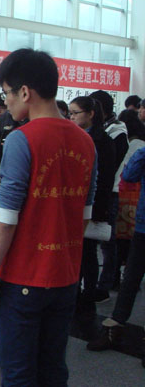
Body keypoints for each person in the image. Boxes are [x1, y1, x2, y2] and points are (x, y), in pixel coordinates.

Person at [0, 49, 97, 386]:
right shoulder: (86, 141)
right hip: (66, 275)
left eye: (6, 93)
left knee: (18, 374)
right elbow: (85, 214)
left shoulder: (22, 139)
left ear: (25, 92)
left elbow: (6, 219)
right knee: (53, 370)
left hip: (23, 277)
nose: (6, 101)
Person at [86, 144, 145, 369]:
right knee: (130, 278)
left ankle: (116, 327)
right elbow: (129, 175)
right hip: (142, 226)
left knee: (131, 278)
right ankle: (115, 326)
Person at [69, 97, 116, 310]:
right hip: (74, 201)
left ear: (90, 114)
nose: (71, 117)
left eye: (76, 113)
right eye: (70, 113)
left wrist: (99, 209)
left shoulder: (103, 141)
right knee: (76, 251)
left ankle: (88, 294)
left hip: (92, 203)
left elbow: (104, 179)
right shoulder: (74, 136)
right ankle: (75, 291)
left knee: (88, 253)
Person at [90, 90, 129, 300]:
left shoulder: (116, 132)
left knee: (107, 239)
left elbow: (110, 167)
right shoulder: (104, 130)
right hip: (101, 189)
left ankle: (106, 283)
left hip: (110, 191)